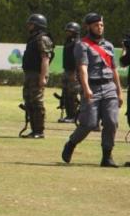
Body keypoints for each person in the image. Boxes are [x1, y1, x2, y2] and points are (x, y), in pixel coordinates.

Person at [61, 13, 123, 167]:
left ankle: (107, 157)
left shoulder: (108, 46)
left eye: (101, 25)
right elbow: (83, 69)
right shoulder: (82, 45)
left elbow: (114, 70)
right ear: (88, 27)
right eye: (96, 25)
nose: (100, 28)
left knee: (111, 122)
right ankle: (71, 143)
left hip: (109, 87)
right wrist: (86, 88)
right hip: (92, 87)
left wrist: (119, 91)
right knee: (88, 123)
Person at [21, 14, 53, 139]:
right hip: (30, 74)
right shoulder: (33, 38)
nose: (29, 26)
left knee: (37, 102)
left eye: (31, 24)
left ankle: (39, 131)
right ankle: (34, 130)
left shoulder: (42, 39)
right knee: (29, 101)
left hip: (37, 74)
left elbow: (45, 59)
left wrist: (43, 77)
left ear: (38, 25)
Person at [59, 22, 81, 123]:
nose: (68, 33)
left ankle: (73, 116)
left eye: (70, 31)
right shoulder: (68, 42)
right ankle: (69, 115)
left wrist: (75, 72)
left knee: (72, 94)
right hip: (67, 71)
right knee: (66, 94)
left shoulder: (77, 43)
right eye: (67, 31)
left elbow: (77, 59)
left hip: (74, 72)